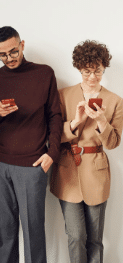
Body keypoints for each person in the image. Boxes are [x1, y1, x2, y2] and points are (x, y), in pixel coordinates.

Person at [0, 26, 62, 263]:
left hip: (33, 164)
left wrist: (52, 154)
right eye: (2, 55)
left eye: (13, 52)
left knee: (33, 232)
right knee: (5, 232)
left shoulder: (44, 74)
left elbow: (55, 116)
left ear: (22, 45)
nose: (9, 58)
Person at [50, 40, 123, 263]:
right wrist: (75, 122)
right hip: (67, 171)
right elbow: (53, 135)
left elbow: (113, 143)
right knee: (76, 236)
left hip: (97, 171)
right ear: (79, 68)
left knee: (95, 239)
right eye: (87, 71)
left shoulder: (115, 101)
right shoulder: (63, 95)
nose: (92, 76)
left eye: (97, 71)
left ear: (104, 68)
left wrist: (101, 120)